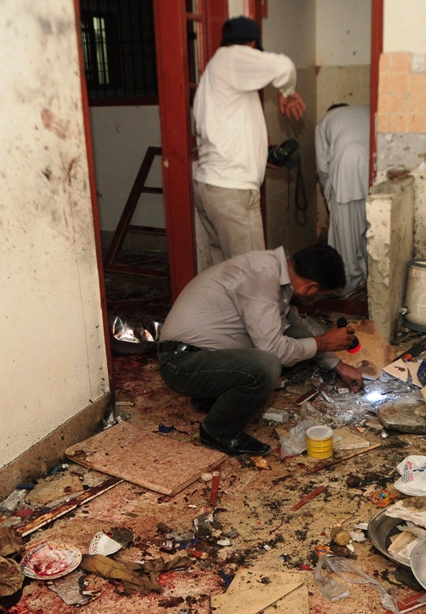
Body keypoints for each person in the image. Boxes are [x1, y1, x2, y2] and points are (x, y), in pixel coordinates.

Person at [157, 244, 363, 457]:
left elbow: (301, 331)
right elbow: (276, 351)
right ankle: (218, 432)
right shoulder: (260, 278)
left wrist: (338, 365)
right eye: (320, 295)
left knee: (295, 343)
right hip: (180, 363)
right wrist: (325, 342)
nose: (315, 301)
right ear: (311, 287)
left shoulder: (278, 276)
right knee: (267, 365)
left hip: (205, 357)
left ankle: (212, 398)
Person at [192, 16, 306, 268]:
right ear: (252, 44)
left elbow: (224, 134)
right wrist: (287, 91)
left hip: (211, 186)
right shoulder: (234, 58)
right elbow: (284, 67)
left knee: (225, 272)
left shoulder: (213, 75)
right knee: (253, 273)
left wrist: (261, 155)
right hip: (233, 191)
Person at [315, 103, 370, 296]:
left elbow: (322, 168)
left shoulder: (324, 121)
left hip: (347, 170)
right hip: (374, 165)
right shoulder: (365, 109)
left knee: (346, 237)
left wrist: (330, 195)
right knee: (370, 230)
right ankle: (368, 284)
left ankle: (350, 289)